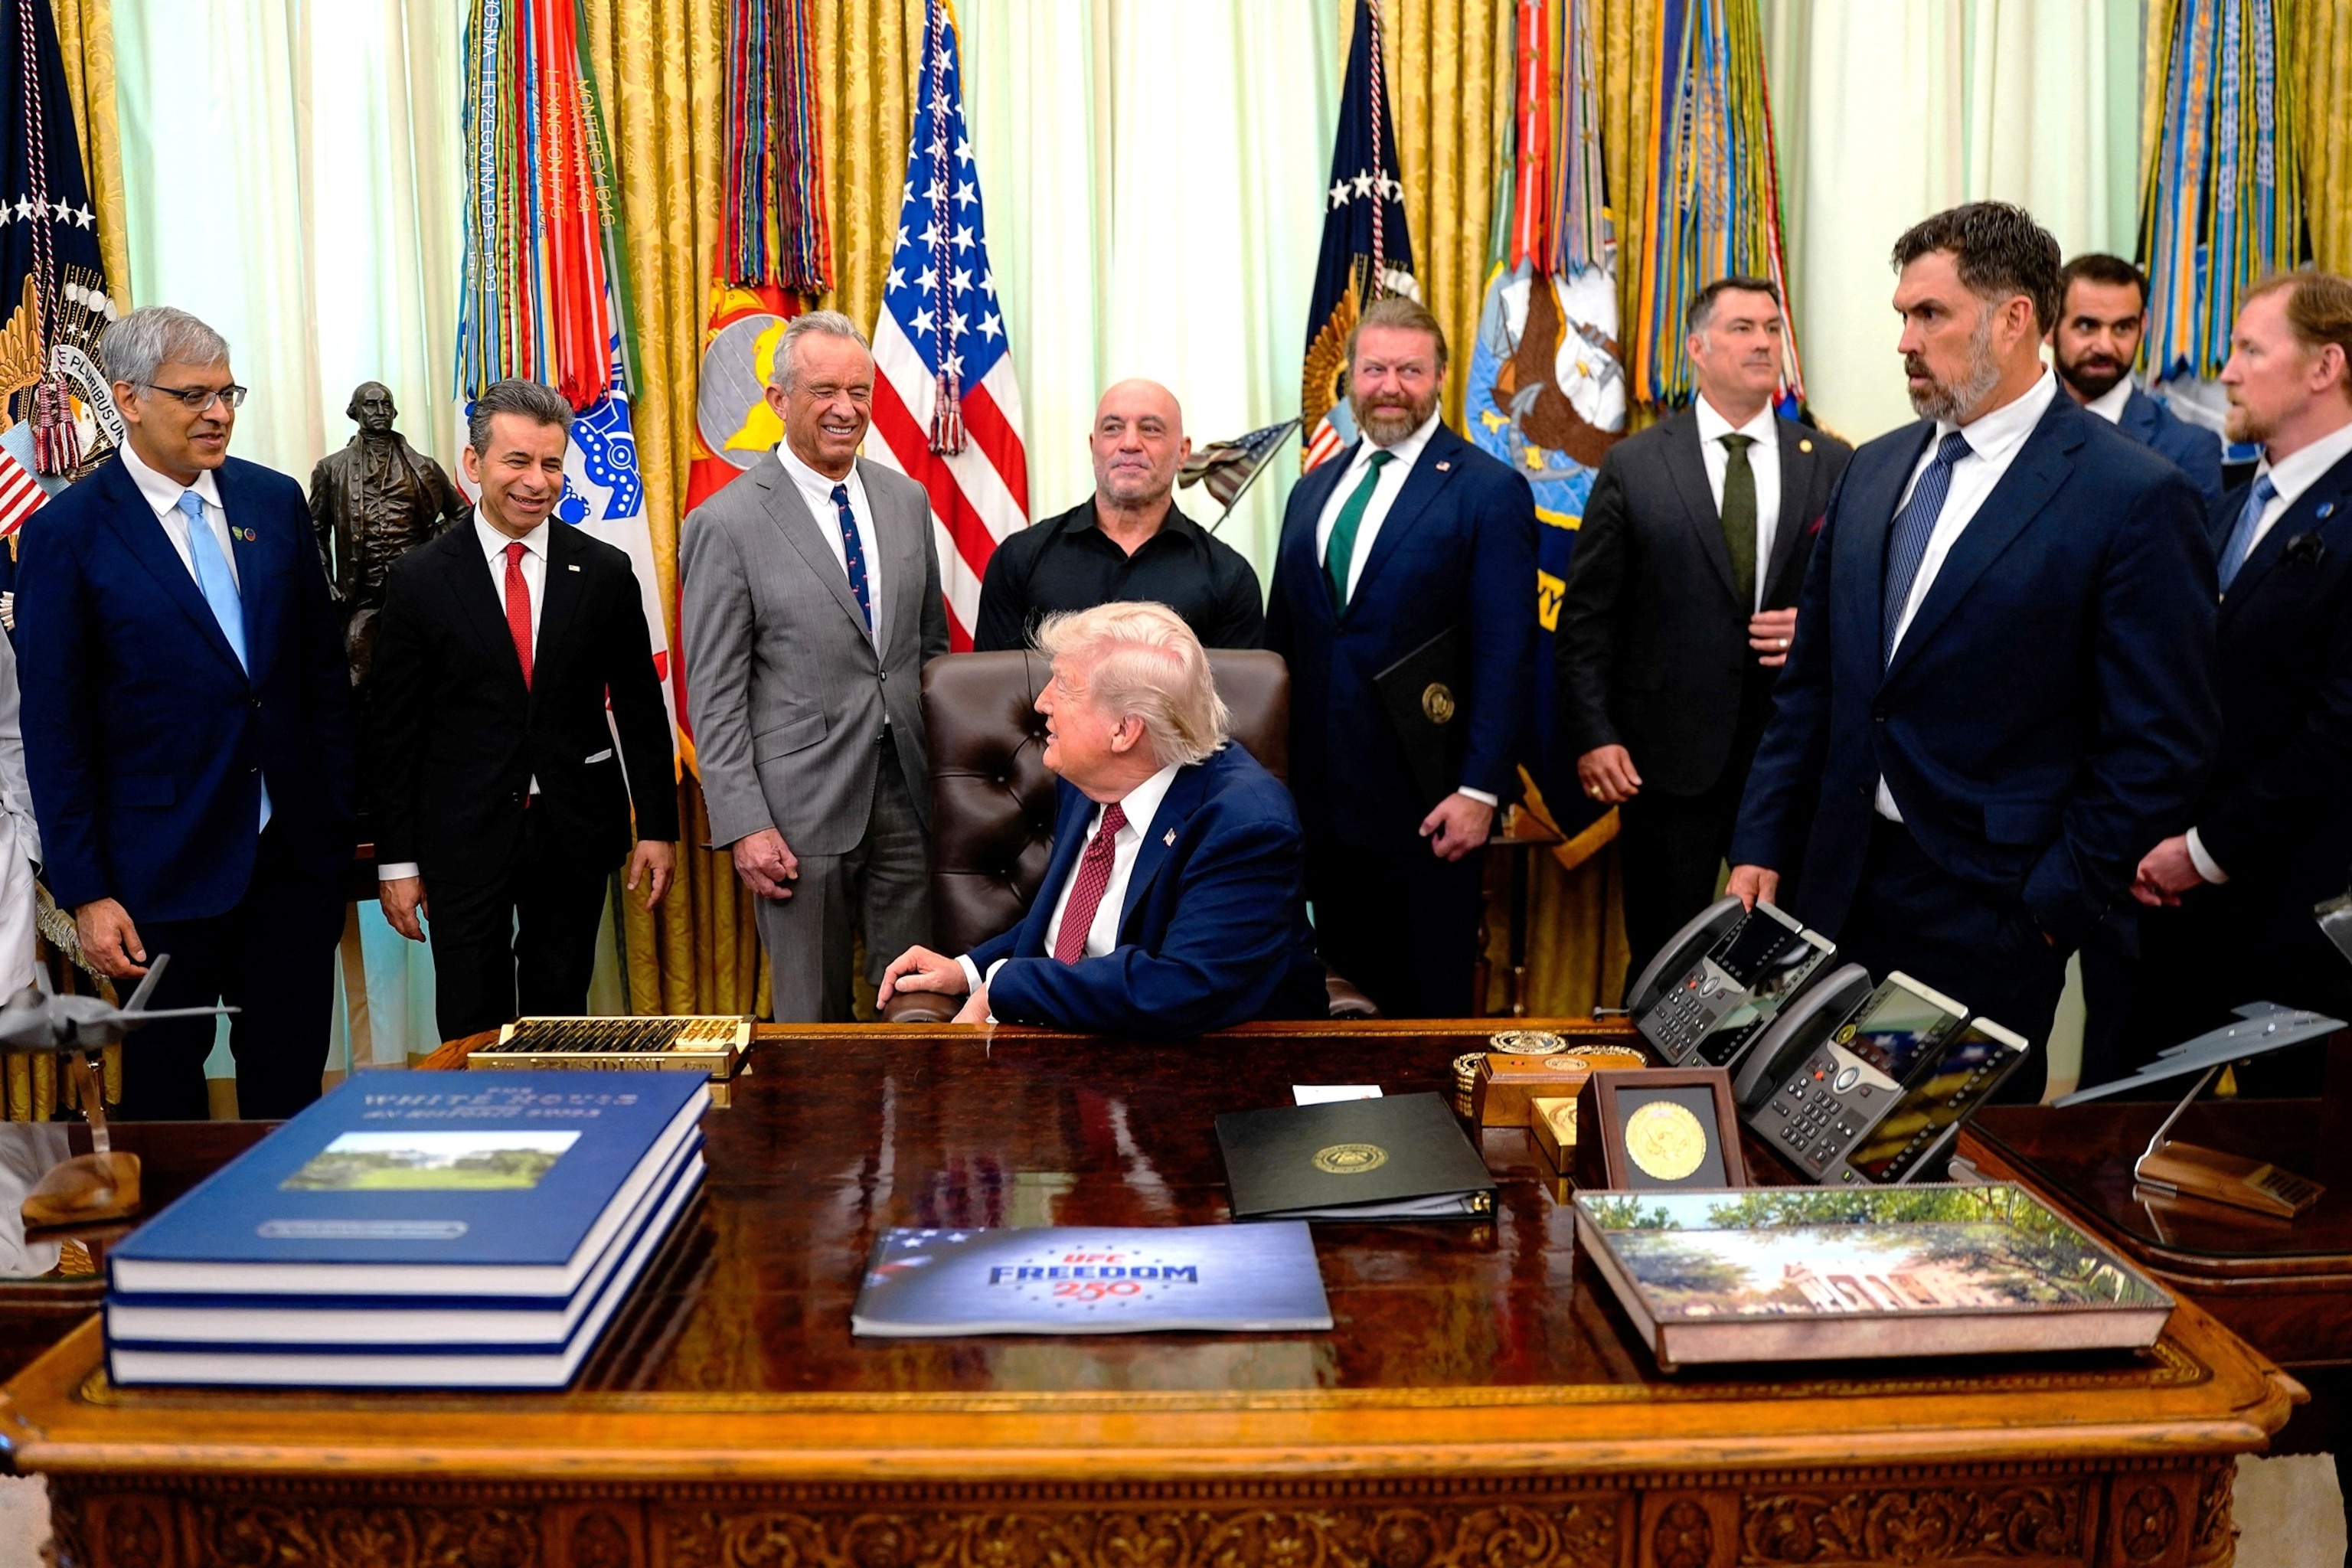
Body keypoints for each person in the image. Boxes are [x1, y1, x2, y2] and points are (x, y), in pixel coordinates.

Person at [1726, 203, 2220, 1104]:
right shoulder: (1873, 468)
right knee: (1800, 1147)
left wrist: (2047, 910)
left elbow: (2161, 744)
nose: (1906, 341)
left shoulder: (2135, 495)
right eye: (1902, 317)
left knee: (1924, 1183)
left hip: (1989, 915)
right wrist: (1761, 840)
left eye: (1931, 315)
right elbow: (1818, 689)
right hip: (1829, 886)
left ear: (2014, 317)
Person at [16, 306, 356, 1119]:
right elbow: (54, 730)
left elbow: (319, 679)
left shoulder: (272, 503)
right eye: (195, 395)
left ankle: (287, 1241)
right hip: (154, 879)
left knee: (290, 1088)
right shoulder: (68, 534)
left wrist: (334, 820)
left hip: (289, 862)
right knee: (165, 1102)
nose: (220, 413)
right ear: (128, 399)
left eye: (229, 392)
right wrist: (86, 888)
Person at [1555, 276, 1852, 987]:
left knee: (1785, 961)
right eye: (1743, 328)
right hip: (1666, 763)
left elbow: (1866, 601)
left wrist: (1814, 626)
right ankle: (1660, 1099)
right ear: (1697, 346)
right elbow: (1588, 615)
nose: (1763, 342)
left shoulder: (1833, 462)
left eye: (1773, 328)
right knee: (1664, 958)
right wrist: (1595, 733)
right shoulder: (1636, 463)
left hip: (1791, 760)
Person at [369, 379, 679, 1040]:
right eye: (518, 461)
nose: (537, 481)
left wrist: (657, 826)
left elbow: (639, 707)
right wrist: (396, 862)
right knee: (470, 1013)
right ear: (474, 465)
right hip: (461, 834)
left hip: (574, 828)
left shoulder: (603, 571)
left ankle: (561, 1132)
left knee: (559, 1007)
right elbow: (393, 734)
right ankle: (480, 1139)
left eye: (551, 463)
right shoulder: (420, 579)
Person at [1266, 295, 1537, 1018]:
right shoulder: (1312, 490)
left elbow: (1508, 652)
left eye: (1409, 370)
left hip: (1429, 812)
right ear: (1349, 378)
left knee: (1423, 1013)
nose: (1390, 386)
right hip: (1316, 814)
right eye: (1375, 368)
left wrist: (1480, 791)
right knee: (1328, 1007)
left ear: (1441, 376)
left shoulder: (1489, 490)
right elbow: (1282, 647)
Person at [877, 602, 1325, 1035]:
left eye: (1064, 687)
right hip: (1081, 1038)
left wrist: (1008, 987)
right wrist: (969, 970)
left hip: (1212, 1069)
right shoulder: (1087, 777)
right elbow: (1070, 919)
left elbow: (1180, 988)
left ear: (1124, 731)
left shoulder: (1245, 826)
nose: (1042, 703)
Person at [680, 310, 949, 1022]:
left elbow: (929, 654)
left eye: (859, 391)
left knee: (916, 1010)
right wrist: (744, 823)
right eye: (824, 390)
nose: (845, 409)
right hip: (795, 817)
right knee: (811, 1024)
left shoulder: (906, 499)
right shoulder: (724, 523)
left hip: (909, 801)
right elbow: (714, 694)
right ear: (777, 401)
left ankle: (908, 1140)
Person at [2121, 270, 2352, 1091]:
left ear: (2324, 367)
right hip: (2173, 913)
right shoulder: (2220, 509)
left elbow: (2338, 732)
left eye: (2252, 349)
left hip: (2297, 928)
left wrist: (2205, 851)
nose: (2227, 370)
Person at [973, 379, 1263, 652]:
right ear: (1092, 445)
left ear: (1183, 452)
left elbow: (1233, 702)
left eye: (1150, 429)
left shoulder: (1229, 578)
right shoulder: (1019, 561)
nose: (1129, 443)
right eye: (1112, 428)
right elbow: (996, 695)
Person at [2049, 253, 2225, 502]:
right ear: (2048, 326)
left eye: (2122, 328)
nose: (2105, 346)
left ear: (2143, 326)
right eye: (2087, 326)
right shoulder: (2012, 427)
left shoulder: (2187, 450)